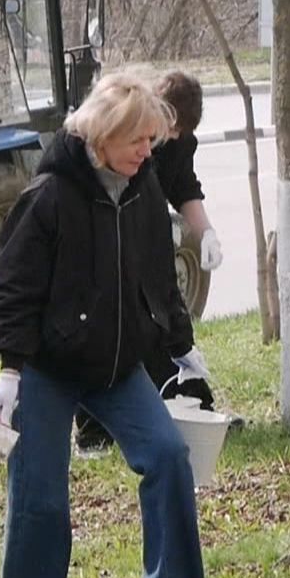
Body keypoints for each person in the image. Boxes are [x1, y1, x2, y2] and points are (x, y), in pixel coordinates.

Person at [0, 69, 226, 578]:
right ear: (102, 140)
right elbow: (11, 289)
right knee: (40, 490)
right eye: (138, 141)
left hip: (115, 366)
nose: (149, 152)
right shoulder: (48, 198)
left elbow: (158, 276)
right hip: (45, 366)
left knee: (167, 456)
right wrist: (10, 374)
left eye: (151, 141)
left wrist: (181, 347)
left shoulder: (142, 190)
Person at [76, 69, 224, 451]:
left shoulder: (179, 140)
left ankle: (188, 402)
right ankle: (95, 427)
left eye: (177, 135)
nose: (166, 141)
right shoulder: (129, 139)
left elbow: (184, 186)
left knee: (162, 325)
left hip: (152, 249)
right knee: (111, 334)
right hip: (114, 249)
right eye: (166, 132)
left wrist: (204, 231)